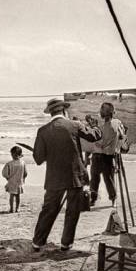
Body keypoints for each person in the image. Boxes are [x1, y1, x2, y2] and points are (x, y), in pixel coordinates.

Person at [32, 98, 101, 252]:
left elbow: (38, 159)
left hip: (54, 178)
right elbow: (95, 136)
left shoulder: (43, 131)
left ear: (51, 113)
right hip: (75, 176)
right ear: (64, 110)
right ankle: (66, 244)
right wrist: (94, 125)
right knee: (72, 212)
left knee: (48, 211)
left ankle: (38, 242)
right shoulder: (75, 125)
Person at [89, 102, 125, 207]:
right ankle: (112, 199)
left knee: (95, 179)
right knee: (108, 179)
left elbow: (97, 142)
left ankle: (93, 199)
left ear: (105, 113)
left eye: (102, 110)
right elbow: (122, 137)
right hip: (108, 156)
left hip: (99, 156)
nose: (100, 111)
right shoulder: (117, 123)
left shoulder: (100, 127)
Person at [2, 146, 27, 213]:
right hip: (19, 181)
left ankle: (11, 208)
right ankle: (17, 208)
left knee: (12, 196)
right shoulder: (22, 163)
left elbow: (4, 173)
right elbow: (25, 173)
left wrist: (7, 178)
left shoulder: (9, 163)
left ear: (12, 154)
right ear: (20, 154)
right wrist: (23, 178)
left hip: (12, 181)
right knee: (18, 196)